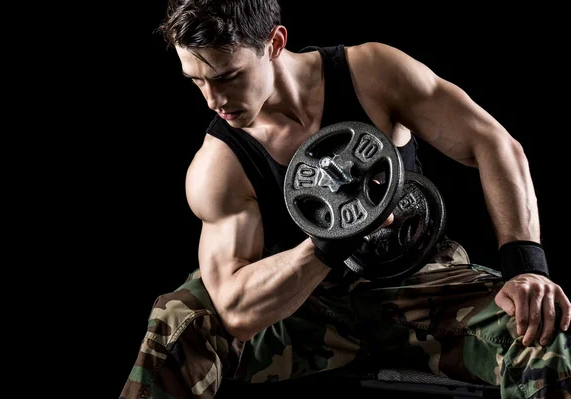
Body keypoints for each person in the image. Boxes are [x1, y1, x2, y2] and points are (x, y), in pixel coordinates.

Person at [120, 1, 571, 398]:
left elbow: (493, 144)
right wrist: (328, 243)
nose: (214, 99)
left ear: (275, 43)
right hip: (307, 314)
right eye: (196, 81)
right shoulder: (218, 165)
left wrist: (527, 267)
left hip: (424, 288)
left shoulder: (372, 73)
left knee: (540, 322)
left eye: (229, 76)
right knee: (180, 317)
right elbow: (236, 309)